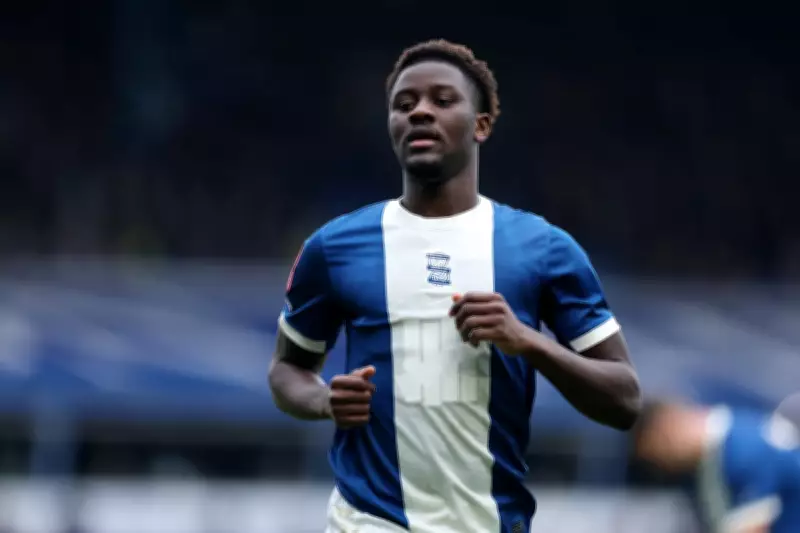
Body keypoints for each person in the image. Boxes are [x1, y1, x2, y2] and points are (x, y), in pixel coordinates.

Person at [268, 39, 642, 533]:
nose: (420, 112)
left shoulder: (543, 248)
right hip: (369, 520)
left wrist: (528, 341)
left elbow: (624, 400)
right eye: (404, 104)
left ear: (480, 125)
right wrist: (323, 401)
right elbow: (287, 369)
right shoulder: (335, 247)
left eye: (442, 100)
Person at [632, 399, 800, 533]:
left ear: (668, 425)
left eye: (661, 449)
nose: (665, 464)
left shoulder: (739, 449)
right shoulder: (717, 452)